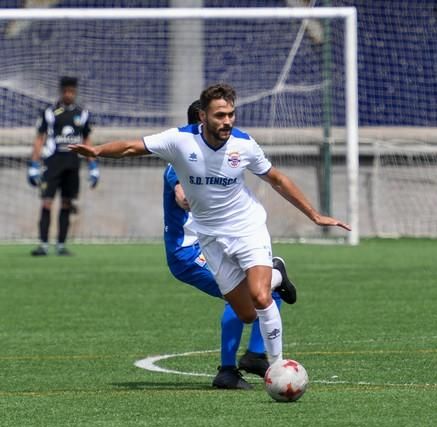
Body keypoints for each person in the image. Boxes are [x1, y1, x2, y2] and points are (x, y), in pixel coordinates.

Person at [70, 82, 350, 372]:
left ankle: (278, 367)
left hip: (246, 227)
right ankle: (276, 274)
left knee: (260, 296)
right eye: (219, 115)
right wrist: (97, 151)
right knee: (246, 313)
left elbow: (276, 179)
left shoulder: (244, 144)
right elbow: (131, 147)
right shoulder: (179, 141)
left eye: (230, 114)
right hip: (210, 238)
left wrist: (315, 215)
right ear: (203, 116)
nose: (227, 120)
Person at [163, 100, 296, 389]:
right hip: (188, 252)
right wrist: (187, 195)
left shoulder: (217, 155)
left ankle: (256, 356)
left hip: (213, 244)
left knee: (269, 295)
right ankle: (227, 370)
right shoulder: (183, 161)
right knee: (243, 294)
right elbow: (180, 192)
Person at [28, 76, 99, 256]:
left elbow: (87, 139)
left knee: (67, 203)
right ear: (61, 92)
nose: (69, 94)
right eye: (66, 91)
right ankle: (43, 244)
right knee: (47, 202)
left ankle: (61, 244)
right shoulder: (50, 112)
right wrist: (34, 164)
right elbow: (39, 138)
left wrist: (93, 165)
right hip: (52, 163)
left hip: (72, 165)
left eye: (72, 92)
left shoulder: (82, 114)